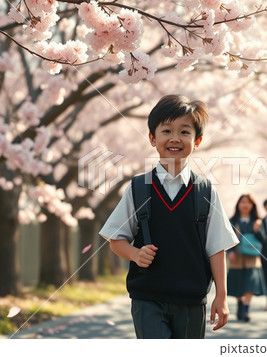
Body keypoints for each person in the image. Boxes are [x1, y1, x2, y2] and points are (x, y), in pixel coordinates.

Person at [99, 94, 238, 339]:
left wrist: (222, 296)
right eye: (166, 131)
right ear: (153, 138)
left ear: (197, 141)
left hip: (191, 300)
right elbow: (115, 239)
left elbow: (216, 248)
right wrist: (135, 254)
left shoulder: (204, 191)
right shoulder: (138, 188)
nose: (175, 138)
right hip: (147, 298)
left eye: (185, 132)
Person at [227, 194, 267, 322]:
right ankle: (240, 305)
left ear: (252, 205)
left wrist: (258, 230)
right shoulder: (232, 221)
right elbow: (226, 238)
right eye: (243, 202)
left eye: (248, 202)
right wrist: (230, 252)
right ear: (238, 204)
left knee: (250, 284)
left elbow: (264, 240)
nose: (245, 205)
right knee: (238, 285)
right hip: (236, 258)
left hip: (253, 259)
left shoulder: (258, 221)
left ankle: (245, 309)